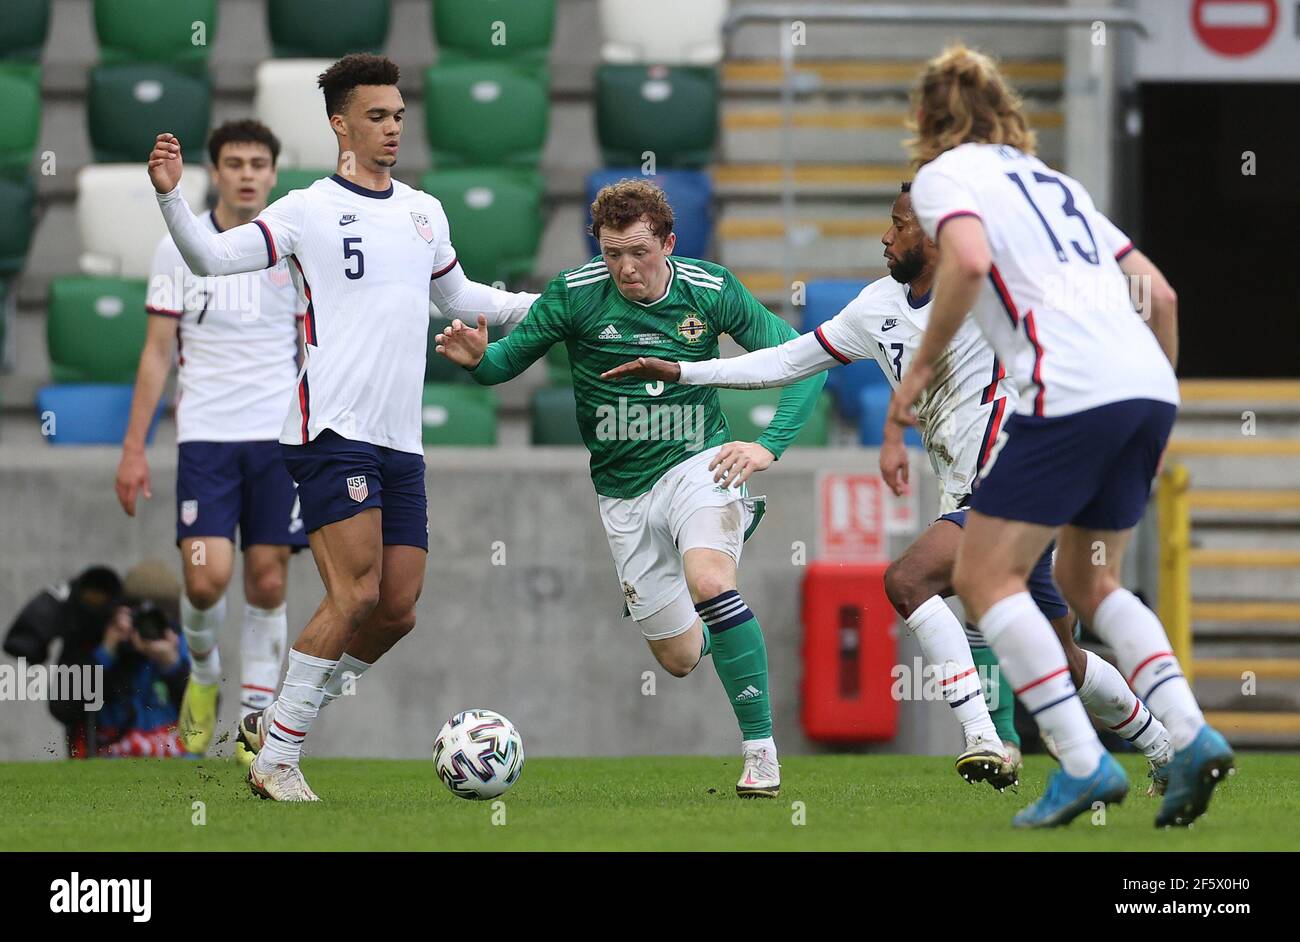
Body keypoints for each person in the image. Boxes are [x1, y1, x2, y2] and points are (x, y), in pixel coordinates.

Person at [602, 183, 1175, 794]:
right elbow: (788, 361)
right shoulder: (875, 307)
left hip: (1022, 483)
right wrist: (688, 370)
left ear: (933, 237)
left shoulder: (994, 292)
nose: (886, 235)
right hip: (974, 494)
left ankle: (982, 736)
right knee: (1065, 659)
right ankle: (1165, 747)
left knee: (907, 579)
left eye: (899, 225)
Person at [147, 53, 538, 800]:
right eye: (377, 116)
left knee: (397, 608)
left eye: (398, 115)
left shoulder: (425, 211)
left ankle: (279, 718)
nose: (392, 128)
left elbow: (459, 298)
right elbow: (207, 256)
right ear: (340, 124)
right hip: (330, 428)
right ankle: (278, 761)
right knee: (351, 594)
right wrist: (170, 200)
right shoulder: (305, 209)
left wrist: (546, 309)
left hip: (400, 439)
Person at [894, 44, 1230, 828]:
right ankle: (1191, 731)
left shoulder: (948, 176)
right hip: (1144, 385)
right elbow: (1162, 292)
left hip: (1067, 389)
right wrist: (1159, 400)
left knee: (982, 578)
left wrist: (917, 373)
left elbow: (968, 263)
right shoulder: (1056, 184)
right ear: (1005, 108)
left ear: (926, 119)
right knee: (1090, 583)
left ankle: (1083, 764)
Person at [436, 179, 827, 797]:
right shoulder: (574, 294)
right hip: (623, 494)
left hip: (701, 465)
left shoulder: (712, 289)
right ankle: (718, 621)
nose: (625, 267)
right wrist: (478, 358)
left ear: (669, 243)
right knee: (676, 659)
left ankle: (761, 755)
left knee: (710, 582)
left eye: (639, 252)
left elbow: (804, 358)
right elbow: (502, 366)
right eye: (612, 252)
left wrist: (768, 444)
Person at [116, 119, 305, 764]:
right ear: (215, 171)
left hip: (278, 440)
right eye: (234, 162)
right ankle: (201, 673)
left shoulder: (293, 249)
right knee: (204, 582)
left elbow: (320, 345)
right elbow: (154, 355)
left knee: (268, 581)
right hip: (206, 440)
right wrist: (135, 447)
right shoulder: (180, 247)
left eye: (259, 162)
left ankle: (256, 728)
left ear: (274, 174)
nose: (247, 173)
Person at [5, 561, 191, 757]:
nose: (147, 628)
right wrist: (106, 652)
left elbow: (205, 717)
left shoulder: (180, 645)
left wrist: (172, 664)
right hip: (106, 768)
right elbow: (62, 708)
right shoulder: (93, 643)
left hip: (173, 766)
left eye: (158, 619)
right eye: (138, 616)